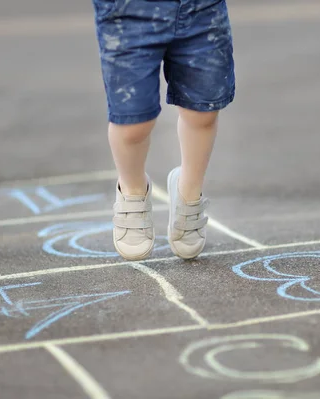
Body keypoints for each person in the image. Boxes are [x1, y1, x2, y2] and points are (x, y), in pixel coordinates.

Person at [92, 0, 235, 260]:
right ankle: (132, 189)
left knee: (203, 109)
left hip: (202, 8)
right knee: (132, 121)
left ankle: (188, 190)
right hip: (129, 12)